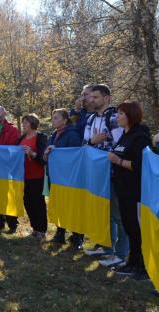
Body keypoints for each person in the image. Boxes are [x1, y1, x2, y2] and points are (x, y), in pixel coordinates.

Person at [82, 84, 129, 268]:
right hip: (96, 173)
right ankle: (105, 246)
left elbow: (121, 144)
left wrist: (101, 142)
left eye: (96, 97)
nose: (91, 100)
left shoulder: (114, 117)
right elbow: (85, 142)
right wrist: (93, 141)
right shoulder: (91, 118)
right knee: (104, 212)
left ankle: (121, 253)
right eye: (90, 97)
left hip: (114, 174)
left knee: (119, 214)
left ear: (107, 98)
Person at [108, 101, 151, 278]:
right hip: (122, 189)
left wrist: (118, 162)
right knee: (128, 227)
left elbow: (141, 166)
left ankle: (142, 267)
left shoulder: (140, 137)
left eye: (121, 114)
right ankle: (132, 262)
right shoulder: (124, 135)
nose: (117, 116)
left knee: (135, 228)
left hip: (135, 191)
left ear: (131, 116)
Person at [44, 108, 84, 249]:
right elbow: (45, 156)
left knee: (72, 206)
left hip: (69, 179)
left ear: (65, 120)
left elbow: (75, 154)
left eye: (56, 117)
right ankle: (60, 233)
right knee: (59, 205)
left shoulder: (72, 134)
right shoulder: (53, 134)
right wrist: (47, 153)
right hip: (55, 177)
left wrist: (58, 151)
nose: (53, 120)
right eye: (53, 117)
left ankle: (77, 236)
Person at [17, 114, 47, 240]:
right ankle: (35, 228)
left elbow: (43, 158)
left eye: (26, 122)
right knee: (27, 202)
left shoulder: (41, 137)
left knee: (38, 203)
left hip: (37, 176)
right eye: (23, 122)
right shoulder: (21, 137)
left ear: (33, 123)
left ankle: (42, 230)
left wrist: (31, 153)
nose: (23, 124)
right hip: (24, 176)